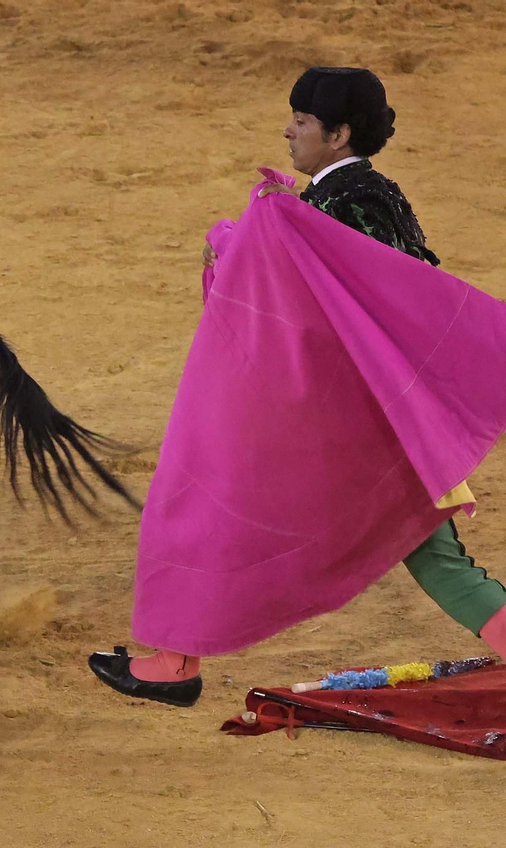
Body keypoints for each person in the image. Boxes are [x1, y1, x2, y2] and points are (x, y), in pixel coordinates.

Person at [92, 67, 506, 707]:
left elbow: (325, 313)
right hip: (381, 419)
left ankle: (174, 665)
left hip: (349, 427)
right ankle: (174, 661)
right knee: (434, 556)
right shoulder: (366, 195)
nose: (289, 131)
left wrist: (236, 252)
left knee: (207, 505)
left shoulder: (347, 204)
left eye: (303, 121)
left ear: (338, 135)